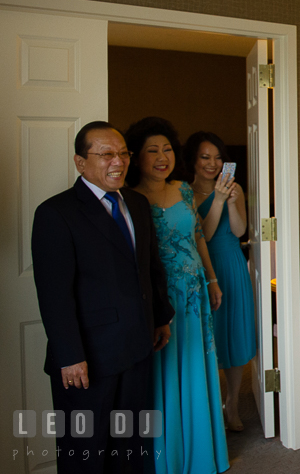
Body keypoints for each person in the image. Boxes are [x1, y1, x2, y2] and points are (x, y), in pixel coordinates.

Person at [31, 121, 174, 474]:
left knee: (130, 448)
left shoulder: (137, 204)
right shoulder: (56, 213)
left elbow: (150, 268)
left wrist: (160, 317)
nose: (119, 161)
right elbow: (54, 293)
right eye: (107, 154)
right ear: (81, 162)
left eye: (123, 153)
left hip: (138, 348)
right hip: (87, 360)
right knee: (86, 454)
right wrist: (70, 356)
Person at [126, 118, 230, 474]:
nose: (161, 156)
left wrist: (212, 279)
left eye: (167, 148)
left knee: (197, 365)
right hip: (160, 296)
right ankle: (169, 458)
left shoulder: (184, 189)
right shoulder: (130, 199)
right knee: (166, 370)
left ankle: (203, 454)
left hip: (195, 293)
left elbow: (198, 236)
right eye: (152, 150)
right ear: (136, 157)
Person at [185, 131, 256, 433]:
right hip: (205, 267)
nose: (213, 163)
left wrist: (231, 202)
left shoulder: (233, 188)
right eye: (205, 157)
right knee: (209, 339)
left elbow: (240, 230)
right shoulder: (183, 193)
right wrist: (218, 200)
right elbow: (205, 235)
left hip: (233, 265)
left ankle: (232, 404)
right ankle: (212, 406)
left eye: (218, 157)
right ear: (193, 160)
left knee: (236, 334)